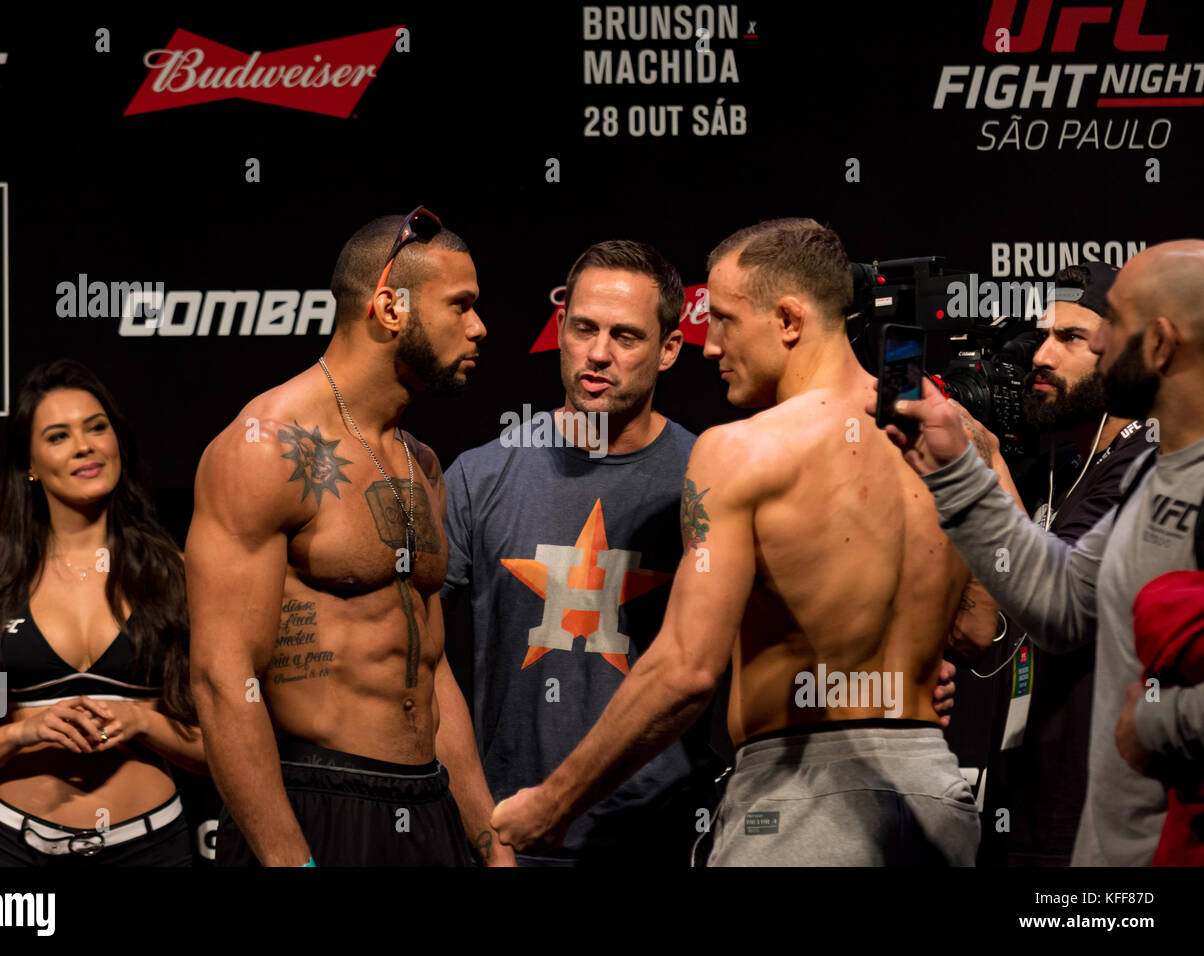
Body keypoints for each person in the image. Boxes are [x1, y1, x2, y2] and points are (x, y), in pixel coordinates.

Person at [491, 218, 999, 865]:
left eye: (724, 320)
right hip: (934, 792)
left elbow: (686, 669)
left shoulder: (741, 451)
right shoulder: (958, 437)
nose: (710, 347)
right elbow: (980, 627)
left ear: (788, 320)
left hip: (806, 805)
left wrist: (553, 804)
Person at [189, 208, 510, 867]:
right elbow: (224, 679)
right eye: (461, 305)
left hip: (428, 805)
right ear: (390, 306)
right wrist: (290, 861)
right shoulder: (267, 445)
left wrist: (488, 840)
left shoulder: (420, 463)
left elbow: (430, 666)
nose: (479, 327)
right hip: (312, 802)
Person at [875, 239, 1204, 865]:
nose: (1101, 346)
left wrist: (1165, 722)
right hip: (1098, 845)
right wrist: (955, 468)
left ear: (1161, 343)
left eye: (1117, 328)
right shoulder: (1150, 477)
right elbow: (1061, 603)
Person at [442, 240, 722, 865]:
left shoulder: (710, 480)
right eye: (584, 329)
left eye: (626, 336)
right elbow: (412, 663)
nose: (598, 354)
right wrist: (486, 836)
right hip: (514, 843)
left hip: (668, 840)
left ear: (670, 349)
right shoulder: (477, 477)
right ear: (561, 328)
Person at [0, 359, 205, 866]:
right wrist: (20, 732)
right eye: (58, 436)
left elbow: (231, 751)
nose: (84, 446)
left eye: (97, 427)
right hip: (14, 851)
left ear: (118, 441)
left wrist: (143, 720)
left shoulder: (179, 578)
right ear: (29, 464)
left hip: (152, 848)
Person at [979, 260, 1147, 866]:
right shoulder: (1046, 473)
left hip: (1099, 811)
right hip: (1023, 790)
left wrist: (980, 464)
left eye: (1071, 339)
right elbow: (979, 629)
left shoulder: (1149, 470)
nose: (1040, 357)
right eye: (1042, 336)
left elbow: (1057, 598)